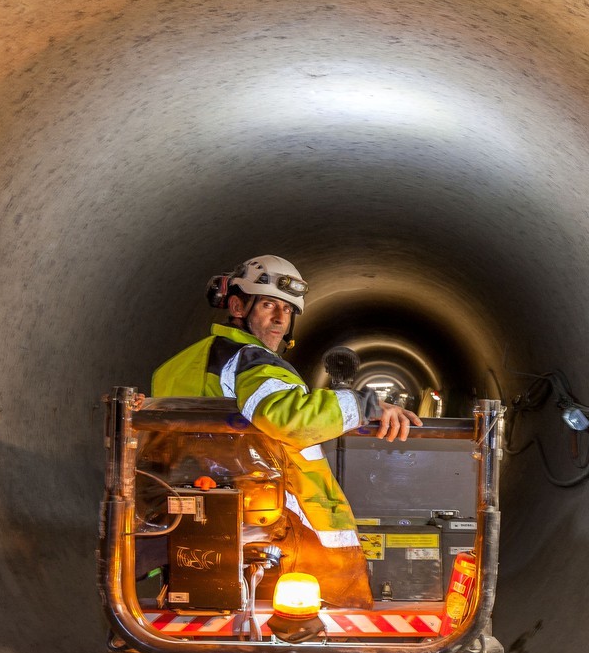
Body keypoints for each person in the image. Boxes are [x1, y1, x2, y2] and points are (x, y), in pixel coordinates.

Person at [151, 254, 420, 608]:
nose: (280, 318)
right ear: (236, 306)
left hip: (190, 525)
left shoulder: (174, 367)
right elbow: (287, 418)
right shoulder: (252, 360)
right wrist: (365, 404)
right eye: (267, 305)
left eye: (288, 309)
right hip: (270, 529)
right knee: (327, 633)